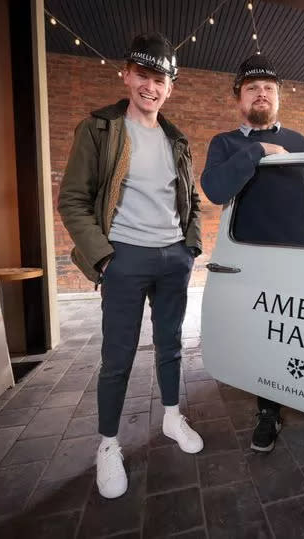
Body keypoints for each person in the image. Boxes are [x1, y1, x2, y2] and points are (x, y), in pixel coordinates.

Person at [200, 54, 304, 459]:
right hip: (254, 265)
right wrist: (257, 150)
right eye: (252, 89)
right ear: (238, 98)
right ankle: (268, 411)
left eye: (269, 89)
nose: (262, 94)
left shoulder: (299, 142)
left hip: (301, 264)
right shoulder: (225, 144)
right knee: (266, 340)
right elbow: (215, 189)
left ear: (278, 97)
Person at [58, 33, 204, 499]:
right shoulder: (100, 128)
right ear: (126, 75)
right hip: (124, 258)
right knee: (116, 358)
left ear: (170, 87)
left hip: (172, 259)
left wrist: (190, 248)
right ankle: (108, 445)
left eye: (160, 79)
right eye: (143, 75)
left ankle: (172, 417)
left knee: (171, 346)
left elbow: (192, 202)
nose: (150, 86)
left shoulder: (176, 139)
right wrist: (104, 258)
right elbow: (73, 199)